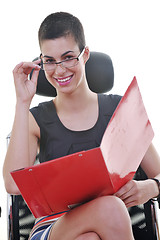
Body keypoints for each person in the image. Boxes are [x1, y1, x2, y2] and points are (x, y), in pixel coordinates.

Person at [3, 12, 160, 240]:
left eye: (68, 57)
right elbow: (12, 184)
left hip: (112, 227)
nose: (59, 70)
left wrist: (151, 187)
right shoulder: (35, 119)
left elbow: (158, 173)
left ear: (85, 54)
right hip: (54, 227)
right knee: (111, 208)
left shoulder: (119, 109)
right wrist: (22, 102)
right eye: (50, 61)